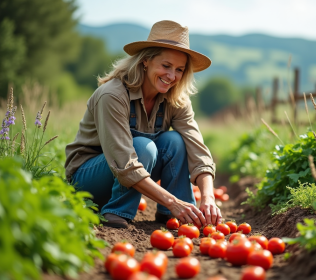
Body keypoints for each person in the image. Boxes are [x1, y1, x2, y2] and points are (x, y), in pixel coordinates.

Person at [65, 20, 222, 228]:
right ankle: (116, 212)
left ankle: (176, 215)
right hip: (88, 178)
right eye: (166, 66)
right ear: (146, 60)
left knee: (175, 140)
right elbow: (124, 160)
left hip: (129, 170)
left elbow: (197, 148)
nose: (171, 76)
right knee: (142, 146)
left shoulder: (176, 99)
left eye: (179, 70)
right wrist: (173, 201)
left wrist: (209, 197)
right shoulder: (113, 95)